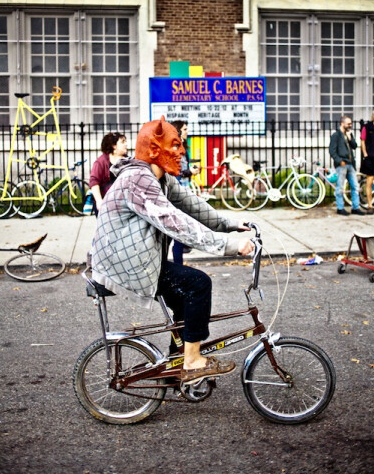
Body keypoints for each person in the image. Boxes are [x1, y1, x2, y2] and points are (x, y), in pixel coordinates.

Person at [91, 116, 254, 384]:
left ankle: (174, 365)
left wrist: (233, 225)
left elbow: (195, 207)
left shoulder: (162, 178)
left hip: (136, 258)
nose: (182, 152)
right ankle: (191, 362)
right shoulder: (139, 180)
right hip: (123, 263)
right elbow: (177, 224)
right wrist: (229, 246)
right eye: (175, 146)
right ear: (155, 150)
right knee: (197, 284)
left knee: (184, 301)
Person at [170, 120, 200, 264]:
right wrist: (189, 172)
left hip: (183, 192)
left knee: (177, 234)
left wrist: (190, 171)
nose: (187, 131)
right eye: (185, 129)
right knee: (177, 234)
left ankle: (177, 265)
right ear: (178, 131)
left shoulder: (182, 147)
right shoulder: (175, 149)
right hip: (177, 195)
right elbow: (176, 172)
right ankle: (177, 266)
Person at [329, 115, 365, 216]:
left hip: (350, 164)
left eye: (351, 123)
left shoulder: (349, 134)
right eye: (348, 123)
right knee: (340, 187)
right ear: (342, 123)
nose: (350, 125)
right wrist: (339, 161)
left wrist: (350, 137)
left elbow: (354, 146)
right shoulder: (336, 135)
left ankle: (355, 207)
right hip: (342, 164)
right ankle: (340, 208)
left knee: (355, 186)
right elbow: (332, 150)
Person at [89, 132, 128, 213]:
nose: (126, 144)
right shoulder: (101, 162)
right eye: (122, 142)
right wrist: (99, 201)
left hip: (124, 205)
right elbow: (94, 182)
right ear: (114, 146)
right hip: (106, 204)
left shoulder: (128, 160)